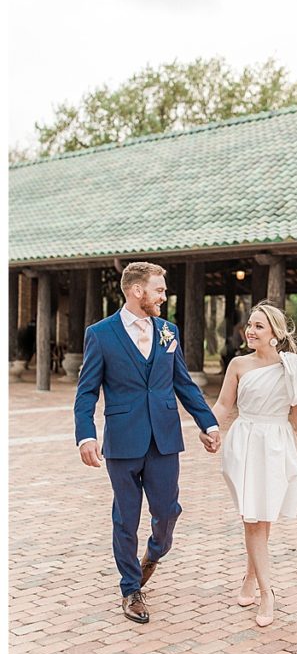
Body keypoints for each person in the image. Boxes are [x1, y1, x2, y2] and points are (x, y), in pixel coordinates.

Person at [75, 262, 221, 624]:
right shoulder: (101, 334)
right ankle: (130, 588)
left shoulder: (168, 331)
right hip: (123, 439)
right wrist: (86, 435)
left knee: (168, 510)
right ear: (137, 291)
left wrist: (209, 423)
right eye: (159, 289)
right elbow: (87, 391)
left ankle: (154, 553)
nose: (164, 295)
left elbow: (184, 383)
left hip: (165, 437)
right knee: (126, 518)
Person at [210, 301, 297, 627]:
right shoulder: (238, 365)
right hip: (244, 442)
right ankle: (267, 592)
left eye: (258, 326)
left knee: (264, 516)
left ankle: (250, 577)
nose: (250, 331)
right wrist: (209, 430)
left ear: (274, 333)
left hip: (277, 444)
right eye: (249, 325)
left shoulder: (292, 366)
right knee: (251, 516)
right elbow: (223, 405)